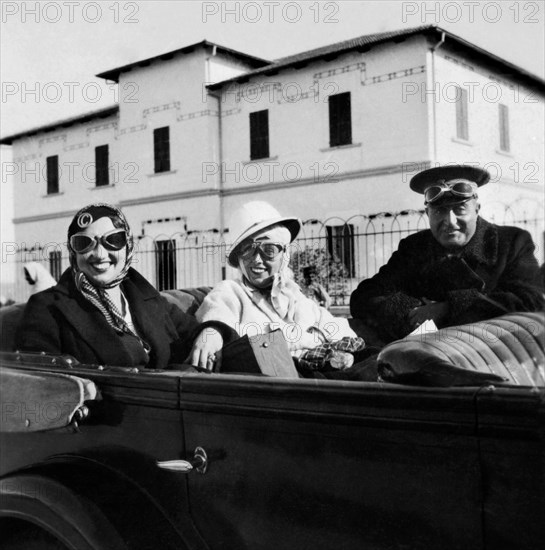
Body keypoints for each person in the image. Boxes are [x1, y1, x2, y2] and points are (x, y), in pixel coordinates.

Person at [15, 203, 234, 369]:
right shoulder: (48, 308)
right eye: (84, 243)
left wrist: (212, 332)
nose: (100, 254)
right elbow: (40, 384)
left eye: (113, 240)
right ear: (73, 253)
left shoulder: (145, 298)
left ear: (128, 247)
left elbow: (191, 332)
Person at [350, 165, 545, 343]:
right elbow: (364, 297)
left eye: (460, 209)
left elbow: (531, 301)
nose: (449, 221)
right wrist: (413, 310)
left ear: (477, 209)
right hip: (424, 355)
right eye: (439, 212)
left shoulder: (512, 243)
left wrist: (447, 308)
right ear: (427, 214)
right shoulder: (414, 248)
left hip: (491, 356)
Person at [191, 201, 362, 375]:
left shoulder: (293, 294)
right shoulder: (232, 290)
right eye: (248, 250)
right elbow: (217, 315)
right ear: (239, 258)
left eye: (269, 250)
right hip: (276, 383)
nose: (257, 260)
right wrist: (212, 333)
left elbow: (339, 329)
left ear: (283, 255)